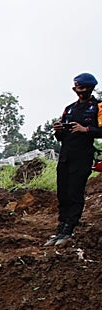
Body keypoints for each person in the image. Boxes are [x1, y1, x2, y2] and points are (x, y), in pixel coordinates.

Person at [48, 73, 102, 246]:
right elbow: (61, 137)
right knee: (62, 193)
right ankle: (61, 227)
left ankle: (69, 229)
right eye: (77, 88)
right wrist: (58, 131)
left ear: (90, 88)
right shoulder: (69, 109)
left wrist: (85, 130)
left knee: (74, 193)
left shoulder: (98, 107)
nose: (79, 91)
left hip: (82, 157)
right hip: (65, 156)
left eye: (82, 88)